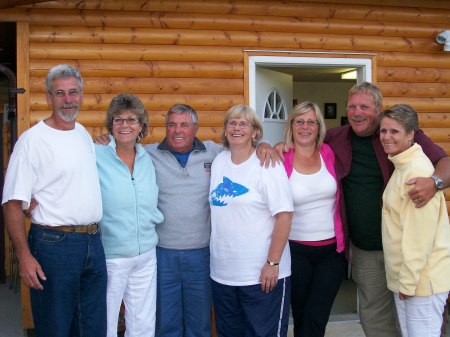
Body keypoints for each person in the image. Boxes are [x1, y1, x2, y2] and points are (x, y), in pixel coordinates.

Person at [276, 82, 450, 337]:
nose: (357, 112)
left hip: (407, 250)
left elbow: (445, 161)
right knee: (375, 318)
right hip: (366, 249)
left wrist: (434, 183)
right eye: (353, 106)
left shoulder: (400, 135)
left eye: (365, 107)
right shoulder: (336, 138)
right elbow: (305, 141)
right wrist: (272, 147)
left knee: (417, 321)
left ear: (378, 110)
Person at [96, 103, 275, 337]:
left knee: (198, 322)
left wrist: (265, 145)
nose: (177, 131)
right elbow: (122, 146)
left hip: (201, 254)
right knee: (165, 322)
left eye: (184, 125)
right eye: (171, 125)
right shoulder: (147, 153)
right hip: (162, 253)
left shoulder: (215, 153)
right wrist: (106, 140)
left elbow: (243, 145)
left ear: (195, 128)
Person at [2, 64, 107, 337]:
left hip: (93, 243)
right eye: (59, 93)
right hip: (54, 246)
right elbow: (13, 202)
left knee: (91, 328)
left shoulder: (83, 134)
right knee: (55, 328)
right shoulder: (32, 141)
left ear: (82, 95)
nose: (67, 99)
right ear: (49, 98)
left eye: (73, 92)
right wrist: (23, 255)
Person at [209, 104, 293, 337]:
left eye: (244, 123)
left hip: (261, 275)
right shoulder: (219, 162)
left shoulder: (268, 165)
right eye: (232, 123)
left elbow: (284, 216)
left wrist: (273, 263)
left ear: (255, 132)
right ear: (225, 130)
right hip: (223, 274)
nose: (237, 128)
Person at [95, 94, 164, 337]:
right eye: (118, 120)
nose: (125, 125)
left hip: (146, 254)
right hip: (110, 255)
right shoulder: (95, 155)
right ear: (111, 125)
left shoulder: (149, 157)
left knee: (143, 324)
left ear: (141, 125)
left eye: (131, 120)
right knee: (106, 323)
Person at [379, 104, 450, 337]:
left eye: (394, 131)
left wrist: (407, 283)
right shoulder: (401, 164)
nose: (387, 137)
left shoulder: (415, 171)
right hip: (409, 282)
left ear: (411, 135)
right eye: (383, 131)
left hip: (421, 282)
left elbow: (420, 237)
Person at [282, 101, 346, 337]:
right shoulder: (280, 157)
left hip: (332, 252)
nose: (305, 126)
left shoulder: (329, 153)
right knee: (301, 315)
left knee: (317, 317)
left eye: (311, 122)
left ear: (319, 127)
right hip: (295, 250)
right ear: (291, 126)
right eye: (299, 121)